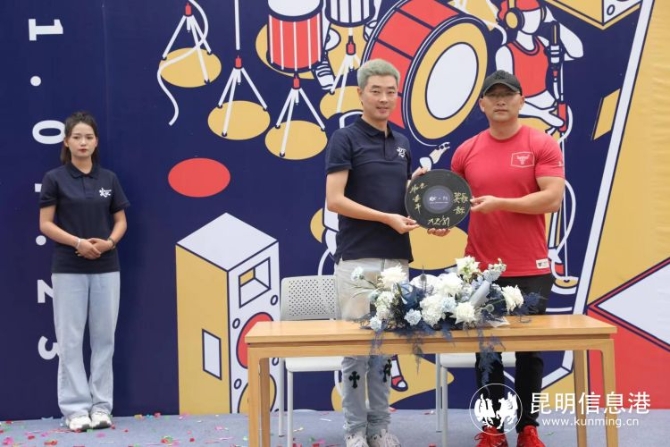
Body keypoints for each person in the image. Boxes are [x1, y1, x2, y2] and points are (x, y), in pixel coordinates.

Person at [325, 59, 446, 447]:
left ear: (397, 95)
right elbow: (335, 200)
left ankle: (378, 427)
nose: (383, 98)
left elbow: (400, 201)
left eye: (390, 92)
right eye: (375, 91)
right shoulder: (345, 138)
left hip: (396, 260)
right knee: (356, 352)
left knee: (384, 349)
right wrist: (385, 218)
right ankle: (354, 430)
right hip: (357, 260)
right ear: (360, 94)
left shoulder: (403, 144)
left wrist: (418, 192)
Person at [451, 70, 565, 447]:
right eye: (493, 95)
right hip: (481, 270)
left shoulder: (541, 143)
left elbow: (552, 199)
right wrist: (438, 223)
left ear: (521, 101)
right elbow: (453, 205)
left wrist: (501, 203)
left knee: (530, 352)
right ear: (481, 104)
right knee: (487, 351)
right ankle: (493, 428)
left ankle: (528, 428)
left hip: (530, 268)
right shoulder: (466, 151)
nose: (501, 100)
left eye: (508, 94)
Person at [39, 111, 129, 432]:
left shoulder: (109, 179)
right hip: (68, 268)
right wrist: (78, 242)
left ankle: (101, 406)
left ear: (96, 142)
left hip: (107, 267)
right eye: (76, 137)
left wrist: (108, 243)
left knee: (104, 339)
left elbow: (121, 221)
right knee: (70, 340)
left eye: (88, 137)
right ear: (66, 141)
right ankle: (75, 409)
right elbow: (46, 224)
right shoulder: (55, 178)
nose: (83, 142)